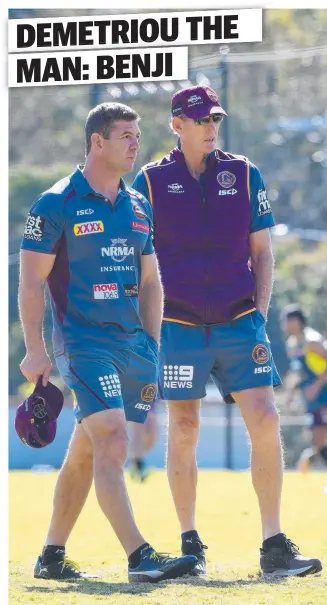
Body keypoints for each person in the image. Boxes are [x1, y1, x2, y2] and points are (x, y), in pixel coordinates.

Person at [132, 85, 322, 577]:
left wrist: (258, 313)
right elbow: (139, 262)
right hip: (177, 325)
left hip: (240, 321)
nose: (211, 126)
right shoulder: (150, 182)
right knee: (186, 427)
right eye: (200, 120)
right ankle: (190, 544)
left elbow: (262, 252)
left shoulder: (244, 173)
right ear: (177, 124)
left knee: (265, 418)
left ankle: (274, 545)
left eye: (215, 117)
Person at [18, 102, 197, 583]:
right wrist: (35, 349)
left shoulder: (138, 205)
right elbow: (31, 282)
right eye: (125, 135)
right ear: (98, 142)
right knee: (114, 440)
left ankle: (51, 556)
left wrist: (153, 343)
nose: (136, 143)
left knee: (88, 451)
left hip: (133, 345)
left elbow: (152, 279)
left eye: (137, 135)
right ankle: (140, 556)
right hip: (82, 343)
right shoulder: (54, 203)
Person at [281, 304, 327, 473]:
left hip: (324, 394)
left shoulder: (312, 340)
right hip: (313, 400)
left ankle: (309, 458)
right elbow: (298, 372)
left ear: (296, 321)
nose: (284, 325)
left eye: (286, 320)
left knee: (319, 439)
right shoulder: (292, 344)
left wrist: (316, 385)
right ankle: (310, 458)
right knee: (317, 440)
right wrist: (291, 393)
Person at [128, 400, 159, 482]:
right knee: (138, 431)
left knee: (152, 436)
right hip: (134, 399)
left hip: (151, 403)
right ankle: (138, 465)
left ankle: (135, 461)